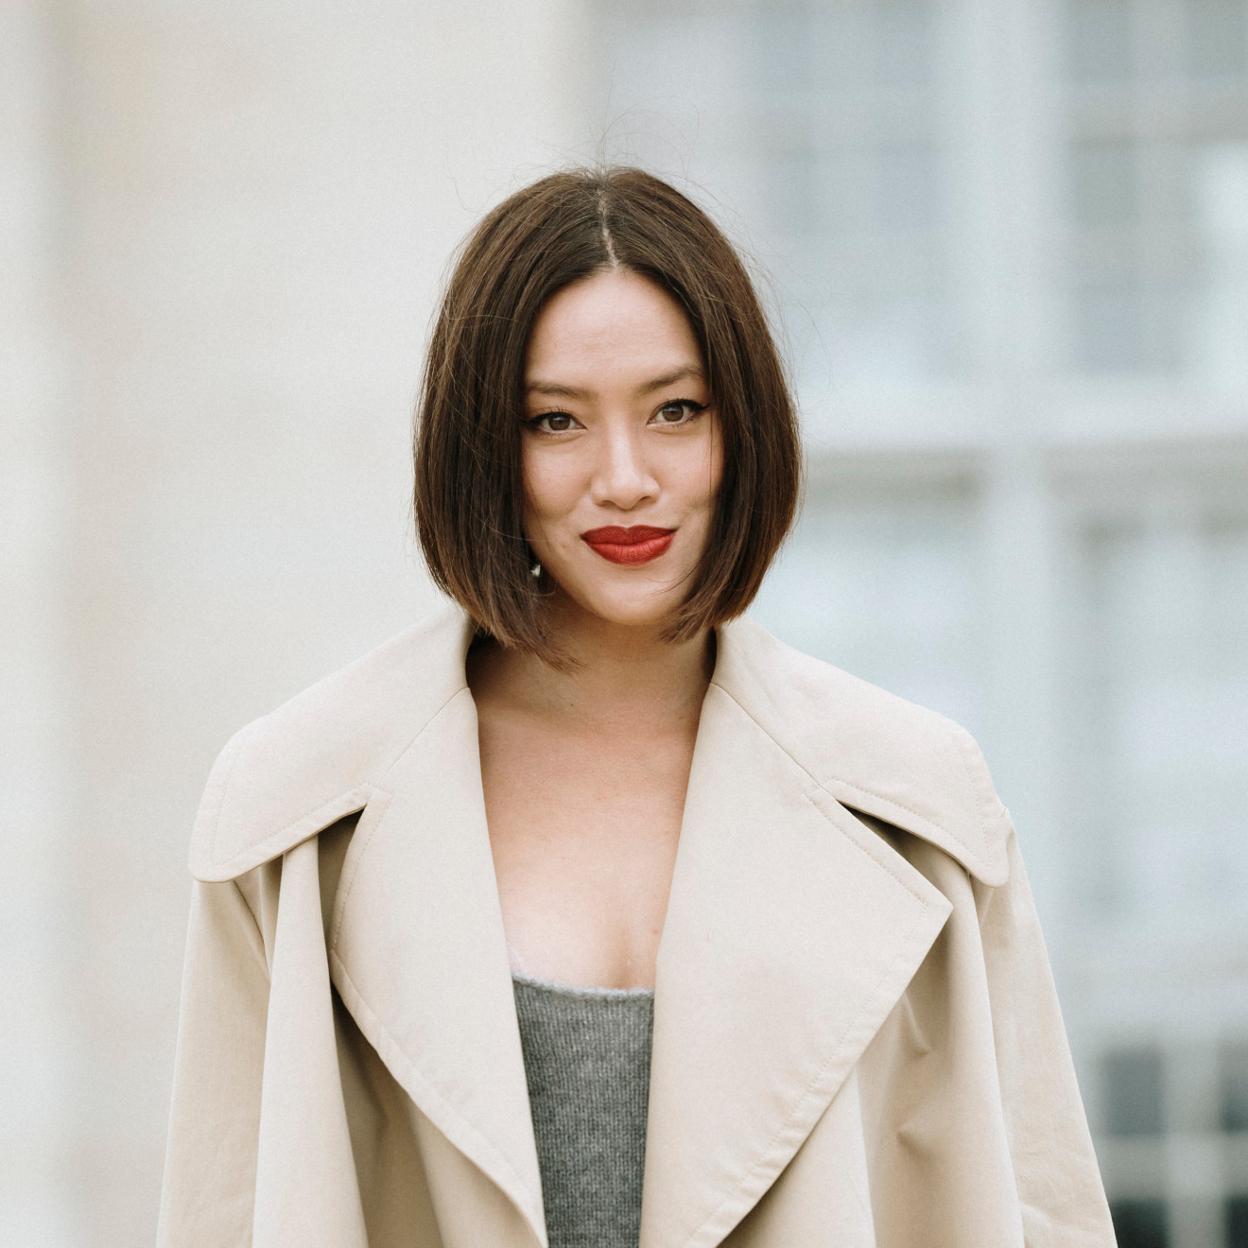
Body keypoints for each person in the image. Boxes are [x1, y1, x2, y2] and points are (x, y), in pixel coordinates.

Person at [156, 167, 1117, 1248]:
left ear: (740, 425)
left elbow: (1035, 1210)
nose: (623, 478)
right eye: (556, 421)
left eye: (675, 411)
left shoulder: (921, 809)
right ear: (487, 448)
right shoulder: (294, 810)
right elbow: (223, 1212)